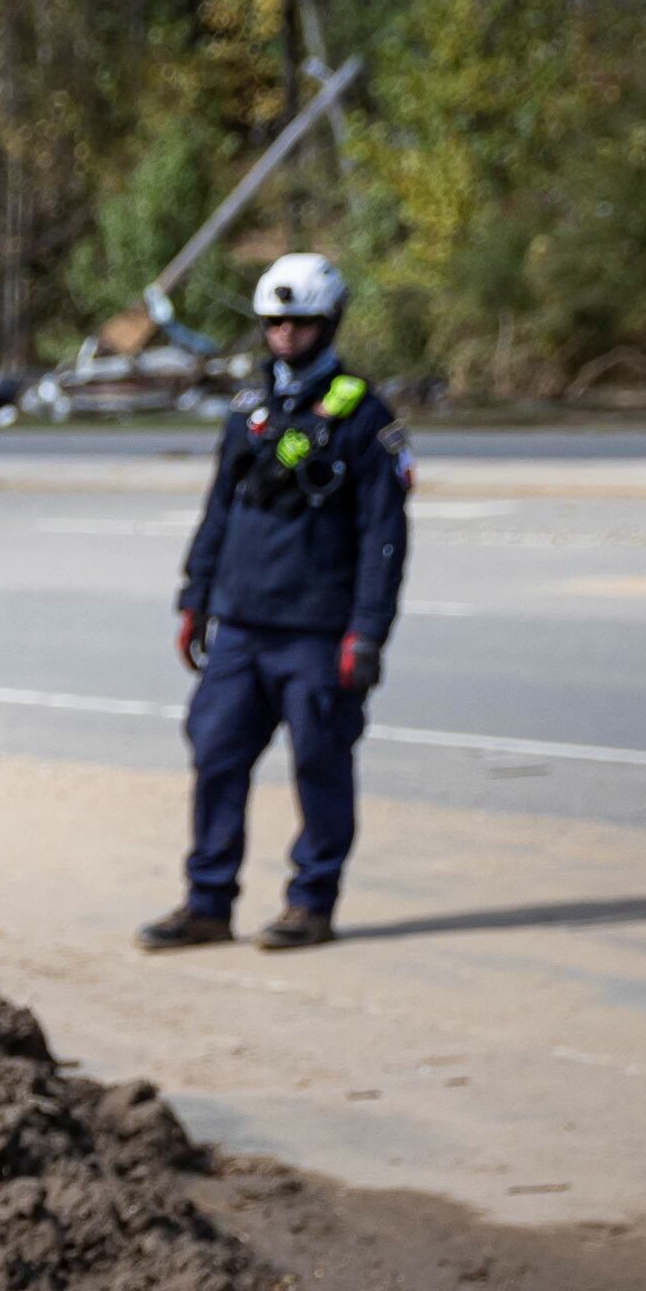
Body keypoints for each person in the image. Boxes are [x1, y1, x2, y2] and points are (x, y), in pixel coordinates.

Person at [141, 251, 412, 954]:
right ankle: (206, 904)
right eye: (273, 322)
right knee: (214, 754)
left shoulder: (362, 416)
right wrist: (194, 596)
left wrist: (367, 631)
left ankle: (310, 903)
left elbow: (385, 535)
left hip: (318, 632)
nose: (284, 335)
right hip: (240, 627)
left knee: (319, 764)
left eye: (298, 322)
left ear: (327, 323)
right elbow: (218, 510)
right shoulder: (247, 412)